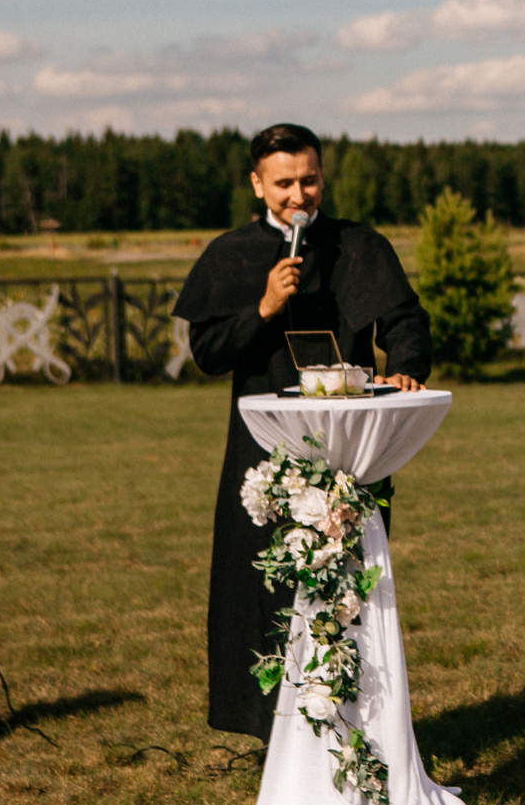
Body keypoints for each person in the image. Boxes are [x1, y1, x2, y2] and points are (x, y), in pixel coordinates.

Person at [174, 123, 431, 742]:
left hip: (349, 450)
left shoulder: (360, 246)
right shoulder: (231, 253)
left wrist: (404, 367)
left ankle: (352, 728)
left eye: (309, 180)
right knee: (262, 586)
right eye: (283, 183)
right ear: (257, 184)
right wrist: (263, 306)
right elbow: (207, 352)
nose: (298, 195)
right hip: (262, 451)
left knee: (348, 586)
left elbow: (406, 321)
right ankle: (275, 734)